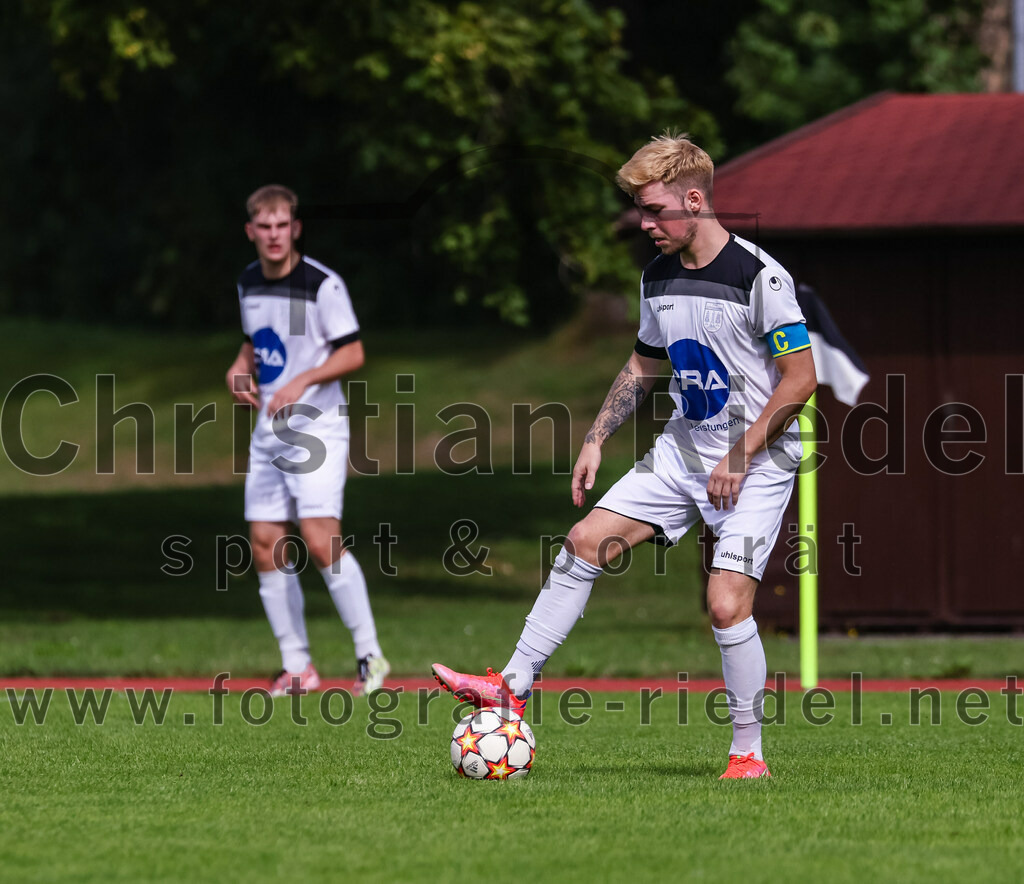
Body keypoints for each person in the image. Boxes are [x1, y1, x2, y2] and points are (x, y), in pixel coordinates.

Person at [432, 134, 816, 778]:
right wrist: (596, 437)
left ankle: (748, 754)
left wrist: (741, 455)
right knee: (584, 540)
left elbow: (800, 380)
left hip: (758, 462)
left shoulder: (760, 278)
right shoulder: (656, 275)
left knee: (726, 605)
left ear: (693, 201)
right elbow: (643, 365)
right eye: (640, 210)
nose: (644, 224)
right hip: (684, 450)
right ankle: (510, 688)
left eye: (654, 210)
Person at [226, 184, 389, 697]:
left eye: (283, 226)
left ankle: (370, 656)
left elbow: (353, 352)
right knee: (264, 542)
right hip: (269, 429)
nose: (274, 235)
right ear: (251, 231)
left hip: (317, 427)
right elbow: (254, 343)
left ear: (295, 228)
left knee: (321, 540)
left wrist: (303, 380)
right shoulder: (248, 282)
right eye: (264, 227)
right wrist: (238, 368)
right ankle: (297, 666)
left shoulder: (322, 284)